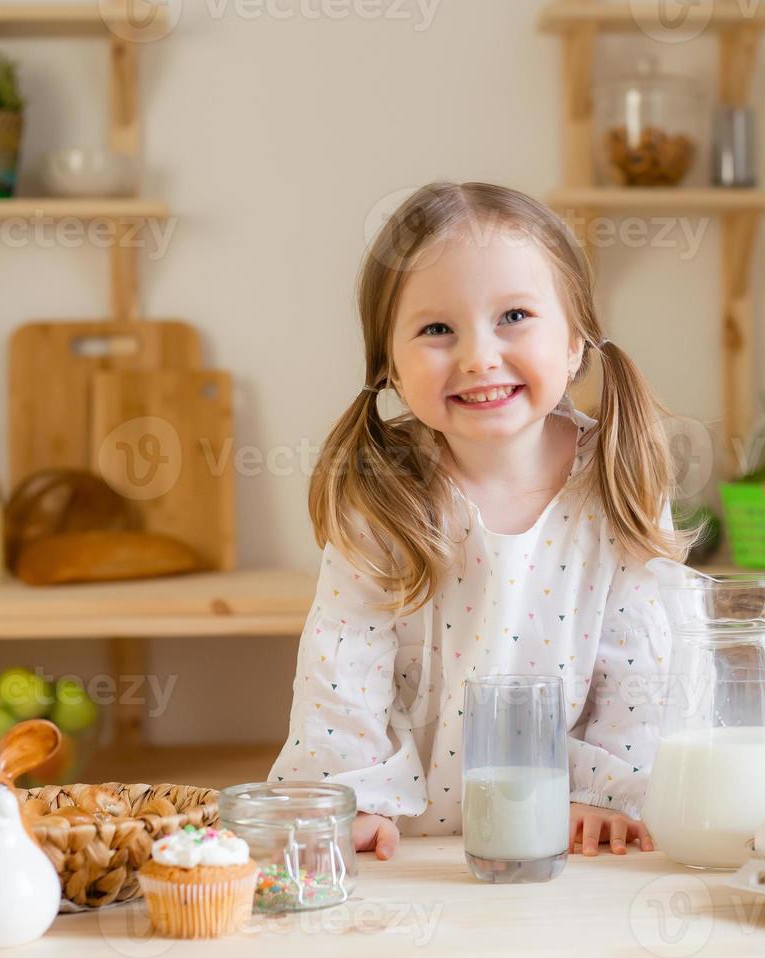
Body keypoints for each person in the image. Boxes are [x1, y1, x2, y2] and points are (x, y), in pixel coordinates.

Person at [268, 181, 693, 860]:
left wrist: (607, 791)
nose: (478, 357)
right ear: (391, 367)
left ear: (577, 338)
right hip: (410, 845)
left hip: (574, 833)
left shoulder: (618, 477)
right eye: (437, 329)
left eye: (515, 316)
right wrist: (349, 800)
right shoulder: (382, 490)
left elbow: (641, 665)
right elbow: (342, 667)